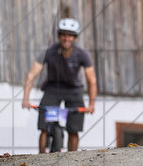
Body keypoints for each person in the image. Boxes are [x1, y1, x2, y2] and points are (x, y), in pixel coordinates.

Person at [22, 18, 97, 153]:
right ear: (59, 36)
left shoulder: (82, 54)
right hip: (53, 89)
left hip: (74, 90)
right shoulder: (49, 51)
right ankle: (41, 156)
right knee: (44, 126)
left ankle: (72, 157)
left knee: (74, 129)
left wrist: (91, 104)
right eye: (63, 34)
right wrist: (25, 99)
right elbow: (31, 75)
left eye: (70, 35)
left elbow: (92, 80)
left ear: (75, 38)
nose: (66, 38)